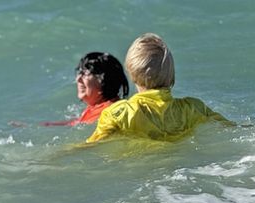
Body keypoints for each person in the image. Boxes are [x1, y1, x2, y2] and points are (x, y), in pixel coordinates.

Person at [87, 33, 231, 143]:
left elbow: (91, 146)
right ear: (171, 74)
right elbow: (230, 128)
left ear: (131, 73)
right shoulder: (192, 108)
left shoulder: (119, 113)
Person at [43, 52, 129, 126]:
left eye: (85, 74)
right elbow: (79, 122)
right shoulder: (98, 107)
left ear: (104, 79)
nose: (78, 79)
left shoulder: (108, 113)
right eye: (80, 73)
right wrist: (49, 125)